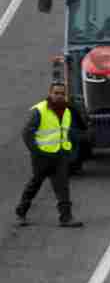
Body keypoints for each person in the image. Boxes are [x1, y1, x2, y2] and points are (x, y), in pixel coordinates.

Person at [16, 77, 85, 227]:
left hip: (59, 155)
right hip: (42, 157)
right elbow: (27, 133)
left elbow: (70, 131)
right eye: (56, 93)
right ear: (50, 94)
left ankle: (66, 218)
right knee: (35, 184)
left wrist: (72, 149)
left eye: (62, 93)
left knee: (63, 187)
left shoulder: (67, 110)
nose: (59, 96)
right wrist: (36, 151)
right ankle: (21, 212)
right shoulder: (39, 111)